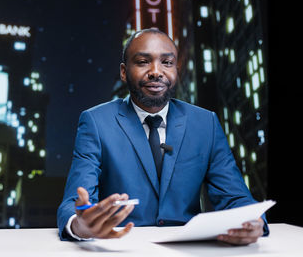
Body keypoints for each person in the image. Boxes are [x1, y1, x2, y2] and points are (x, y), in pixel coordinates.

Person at [57, 28, 268, 245]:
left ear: (176, 70)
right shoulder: (95, 122)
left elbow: (236, 197)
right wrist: (79, 224)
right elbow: (74, 201)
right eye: (142, 62)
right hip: (120, 248)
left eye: (167, 63)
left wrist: (253, 221)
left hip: (188, 250)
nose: (156, 71)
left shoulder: (206, 123)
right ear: (123, 71)